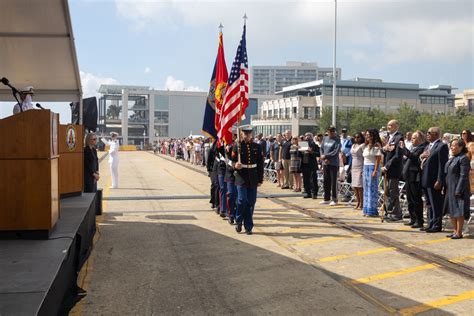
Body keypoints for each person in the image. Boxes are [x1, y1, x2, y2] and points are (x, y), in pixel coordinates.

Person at [232, 126, 264, 235]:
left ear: (251, 135)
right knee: (241, 200)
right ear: (241, 134)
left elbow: (260, 164)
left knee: (251, 202)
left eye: (249, 134)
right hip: (241, 176)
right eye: (245, 134)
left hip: (253, 176)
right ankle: (239, 220)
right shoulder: (237, 146)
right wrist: (235, 165)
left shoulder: (257, 146)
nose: (247, 136)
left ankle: (248, 226)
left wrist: (260, 179)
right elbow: (231, 162)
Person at [420, 127, 449, 233]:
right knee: (428, 204)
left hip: (434, 180)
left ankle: (437, 225)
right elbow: (424, 158)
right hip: (426, 178)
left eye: (429, 133)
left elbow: (442, 165)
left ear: (436, 134)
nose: (427, 135)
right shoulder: (428, 146)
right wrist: (421, 156)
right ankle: (430, 223)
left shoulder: (442, 146)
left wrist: (440, 180)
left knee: (435, 203)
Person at [400, 131, 428, 228]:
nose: (412, 140)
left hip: (415, 177)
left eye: (414, 138)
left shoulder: (422, 148)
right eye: (411, 138)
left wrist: (404, 149)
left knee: (416, 199)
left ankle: (419, 220)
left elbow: (415, 158)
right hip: (408, 176)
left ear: (420, 139)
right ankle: (413, 218)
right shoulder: (414, 148)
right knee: (410, 199)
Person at [444, 138, 471, 239]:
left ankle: (459, 232)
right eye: (451, 145)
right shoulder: (453, 158)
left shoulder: (463, 158)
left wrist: (459, 189)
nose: (452, 147)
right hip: (450, 187)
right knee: (451, 210)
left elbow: (463, 176)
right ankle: (455, 230)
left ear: (461, 147)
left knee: (459, 210)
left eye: (454, 145)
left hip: (459, 188)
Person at [382, 120, 404, 222]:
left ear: (396, 126)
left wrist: (387, 166)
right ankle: (388, 211)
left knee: (393, 191)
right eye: (388, 125)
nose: (388, 127)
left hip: (393, 169)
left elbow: (397, 155)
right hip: (387, 170)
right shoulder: (389, 138)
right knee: (387, 191)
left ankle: (396, 213)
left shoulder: (399, 138)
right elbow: (386, 152)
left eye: (391, 125)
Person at [362, 129, 383, 217]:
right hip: (365, 166)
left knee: (372, 189)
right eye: (366, 135)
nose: (367, 136)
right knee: (366, 189)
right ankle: (366, 209)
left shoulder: (376, 145)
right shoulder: (366, 145)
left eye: (369, 135)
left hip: (372, 167)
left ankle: (372, 210)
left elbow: (378, 159)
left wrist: (375, 170)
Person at [320, 126, 341, 206]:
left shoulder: (337, 139)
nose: (331, 133)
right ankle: (326, 198)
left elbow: (336, 151)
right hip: (325, 163)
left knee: (333, 182)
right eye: (329, 131)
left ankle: (334, 199)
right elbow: (321, 149)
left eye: (332, 131)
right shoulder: (325, 138)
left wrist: (326, 156)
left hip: (333, 163)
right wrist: (323, 156)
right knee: (326, 181)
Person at [301, 132, 320, 199]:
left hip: (312, 165)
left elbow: (318, 154)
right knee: (305, 179)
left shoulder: (314, 144)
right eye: (306, 136)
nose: (307, 137)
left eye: (308, 136)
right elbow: (300, 154)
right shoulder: (303, 144)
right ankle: (307, 193)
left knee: (313, 180)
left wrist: (311, 152)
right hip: (304, 164)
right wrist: (299, 150)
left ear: (311, 137)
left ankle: (314, 193)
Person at [350, 132, 366, 210]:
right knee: (354, 186)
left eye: (358, 137)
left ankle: (362, 203)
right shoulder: (353, 145)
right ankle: (358, 201)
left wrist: (364, 168)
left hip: (360, 165)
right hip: (354, 165)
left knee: (360, 186)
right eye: (355, 137)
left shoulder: (362, 145)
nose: (356, 138)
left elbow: (365, 156)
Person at [206, 140, 219, 210]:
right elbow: (209, 158)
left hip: (219, 167)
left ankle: (218, 203)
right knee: (215, 184)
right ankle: (213, 201)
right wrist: (208, 169)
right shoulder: (213, 146)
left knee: (218, 185)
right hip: (212, 168)